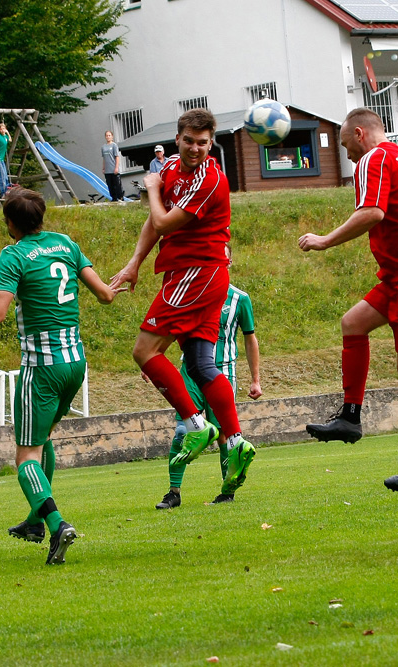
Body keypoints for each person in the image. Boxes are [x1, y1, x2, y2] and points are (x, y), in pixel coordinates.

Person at [0, 186, 123, 564]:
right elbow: (104, 295)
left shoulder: (14, 255)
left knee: (26, 456)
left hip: (41, 367)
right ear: (41, 217)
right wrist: (120, 279)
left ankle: (56, 523)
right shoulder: (66, 244)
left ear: (10, 223)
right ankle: (34, 520)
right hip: (75, 364)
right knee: (45, 438)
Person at [298, 108, 398, 493]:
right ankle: (350, 417)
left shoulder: (374, 157)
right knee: (352, 323)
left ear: (359, 134)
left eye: (345, 147)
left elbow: (372, 212)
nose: (348, 156)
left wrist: (324, 240)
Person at [109, 108, 257, 500]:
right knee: (199, 363)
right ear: (178, 139)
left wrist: (151, 188)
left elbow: (162, 221)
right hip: (198, 274)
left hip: (197, 272)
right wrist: (134, 263)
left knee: (144, 351)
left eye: (203, 143)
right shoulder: (173, 168)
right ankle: (236, 440)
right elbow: (153, 225)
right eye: (189, 141)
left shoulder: (209, 179)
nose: (195, 148)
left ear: (212, 144)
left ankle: (195, 424)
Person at [154, 244, 262, 509]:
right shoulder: (191, 292)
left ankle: (227, 491)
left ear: (230, 260)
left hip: (223, 373)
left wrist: (255, 379)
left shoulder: (240, 299)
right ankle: (173, 493)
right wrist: (155, 357)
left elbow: (250, 339)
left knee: (226, 436)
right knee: (183, 429)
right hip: (190, 372)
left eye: (223, 255)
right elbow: (173, 327)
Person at [102, 130, 124, 201]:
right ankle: (114, 198)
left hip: (114, 169)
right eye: (107, 135)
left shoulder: (114, 145)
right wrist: (103, 168)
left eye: (109, 135)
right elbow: (104, 158)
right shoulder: (103, 147)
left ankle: (120, 197)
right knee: (110, 185)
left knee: (117, 185)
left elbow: (117, 157)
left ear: (112, 136)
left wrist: (116, 168)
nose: (108, 137)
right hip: (107, 171)